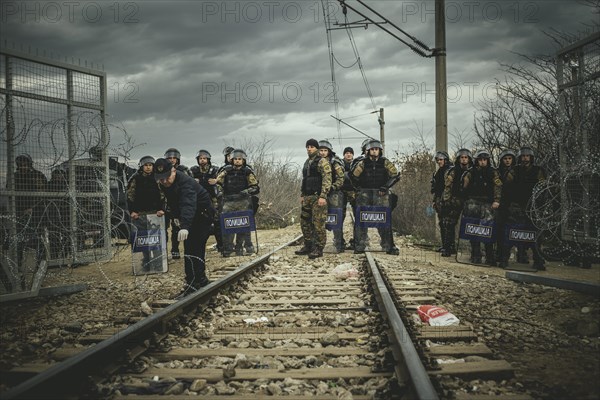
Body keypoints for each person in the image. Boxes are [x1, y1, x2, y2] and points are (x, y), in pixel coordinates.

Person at [154, 158, 213, 295]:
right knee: (189, 249)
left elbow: (188, 204)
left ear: (174, 171)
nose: (164, 181)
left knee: (196, 247)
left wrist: (185, 226)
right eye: (161, 179)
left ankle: (200, 280)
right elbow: (173, 202)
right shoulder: (164, 183)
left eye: (167, 177)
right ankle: (192, 282)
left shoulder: (186, 183)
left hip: (202, 214)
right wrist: (176, 217)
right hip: (187, 215)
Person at [350, 139, 400, 255]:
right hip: (365, 195)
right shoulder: (362, 163)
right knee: (362, 220)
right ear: (367, 151)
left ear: (380, 151)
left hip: (381, 195)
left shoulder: (385, 162)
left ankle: (388, 245)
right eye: (372, 149)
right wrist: (359, 189)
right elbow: (353, 177)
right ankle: (360, 245)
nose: (374, 151)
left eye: (376, 149)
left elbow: (395, 175)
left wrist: (385, 187)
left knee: (383, 220)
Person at [215, 149, 260, 257]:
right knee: (228, 225)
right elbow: (217, 183)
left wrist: (247, 191)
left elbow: (255, 187)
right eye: (235, 159)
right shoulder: (225, 171)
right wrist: (220, 192)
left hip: (243, 201)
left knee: (243, 226)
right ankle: (227, 249)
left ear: (243, 160)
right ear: (232, 160)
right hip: (228, 201)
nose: (237, 161)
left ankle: (240, 247)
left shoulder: (247, 171)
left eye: (240, 159)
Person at [461, 150, 502, 265]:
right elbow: (464, 187)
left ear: (487, 160)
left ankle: (489, 255)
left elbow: (497, 186)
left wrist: (497, 200)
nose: (482, 162)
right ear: (477, 161)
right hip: (473, 202)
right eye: (480, 160)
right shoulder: (471, 172)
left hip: (488, 203)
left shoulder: (493, 172)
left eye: (484, 160)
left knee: (488, 228)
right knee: (473, 228)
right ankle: (475, 254)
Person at [296, 138, 332, 259]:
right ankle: (308, 245)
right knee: (305, 222)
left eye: (311, 147)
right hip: (307, 197)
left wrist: (323, 196)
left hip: (318, 197)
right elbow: (304, 179)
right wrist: (302, 194)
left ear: (316, 148)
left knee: (318, 224)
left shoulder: (322, 161)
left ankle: (319, 248)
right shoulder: (307, 162)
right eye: (308, 147)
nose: (309, 149)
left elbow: (327, 179)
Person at [127, 156, 165, 270]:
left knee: (156, 240)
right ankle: (146, 264)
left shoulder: (157, 178)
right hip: (140, 214)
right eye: (146, 165)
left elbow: (163, 195)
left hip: (155, 214)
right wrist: (132, 211)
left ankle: (158, 265)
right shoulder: (135, 179)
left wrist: (162, 209)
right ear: (142, 166)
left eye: (150, 165)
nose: (148, 167)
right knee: (143, 241)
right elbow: (130, 196)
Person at [511, 146, 546, 270]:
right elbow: (509, 186)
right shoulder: (515, 170)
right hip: (518, 205)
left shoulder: (538, 170)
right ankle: (521, 255)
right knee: (519, 231)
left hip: (533, 206)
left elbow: (543, 186)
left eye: (527, 156)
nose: (525, 158)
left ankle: (538, 259)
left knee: (535, 234)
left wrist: (539, 203)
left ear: (531, 157)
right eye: (523, 156)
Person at [13, 154, 48, 266]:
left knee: (37, 236)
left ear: (29, 165)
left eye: (25, 165)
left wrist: (32, 207)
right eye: (21, 165)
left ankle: (41, 264)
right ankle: (18, 264)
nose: (23, 167)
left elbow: (42, 193)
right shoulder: (14, 177)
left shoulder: (37, 176)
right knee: (20, 238)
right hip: (19, 212)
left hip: (36, 211)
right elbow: (11, 195)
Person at [441, 148, 473, 257]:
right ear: (459, 159)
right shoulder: (454, 171)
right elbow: (447, 186)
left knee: (472, 225)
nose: (464, 160)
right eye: (462, 158)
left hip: (470, 201)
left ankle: (474, 251)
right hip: (455, 200)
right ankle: (448, 247)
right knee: (449, 224)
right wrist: (446, 200)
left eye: (466, 158)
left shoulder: (473, 170)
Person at [190, 150, 223, 254]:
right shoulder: (193, 170)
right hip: (198, 201)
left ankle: (221, 246)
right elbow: (187, 183)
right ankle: (199, 248)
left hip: (213, 199)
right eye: (200, 158)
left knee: (217, 222)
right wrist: (193, 181)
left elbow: (222, 181)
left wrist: (216, 181)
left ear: (208, 159)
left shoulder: (215, 170)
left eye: (204, 158)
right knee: (200, 223)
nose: (202, 160)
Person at [163, 148, 192, 259]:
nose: (172, 160)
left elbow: (190, 184)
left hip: (181, 201)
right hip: (167, 203)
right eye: (169, 158)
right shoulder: (162, 170)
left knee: (181, 226)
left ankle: (186, 251)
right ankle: (174, 250)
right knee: (170, 229)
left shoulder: (184, 170)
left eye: (174, 158)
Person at [318, 140, 345, 252]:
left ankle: (338, 243)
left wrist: (333, 187)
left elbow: (341, 178)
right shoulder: (316, 162)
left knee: (335, 218)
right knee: (318, 218)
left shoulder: (335, 162)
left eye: (325, 150)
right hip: (319, 194)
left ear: (329, 151)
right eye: (321, 150)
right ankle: (318, 244)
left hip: (334, 194)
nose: (323, 152)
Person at [496, 149, 517, 268]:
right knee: (500, 230)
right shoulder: (498, 172)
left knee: (511, 231)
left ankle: (511, 256)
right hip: (501, 205)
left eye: (509, 158)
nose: (507, 161)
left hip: (513, 204)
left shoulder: (517, 171)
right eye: (505, 159)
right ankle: (500, 255)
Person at [430, 151, 452, 253]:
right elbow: (437, 188)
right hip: (440, 199)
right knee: (442, 223)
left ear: (445, 160)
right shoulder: (438, 172)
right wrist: (435, 201)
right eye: (438, 160)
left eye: (441, 160)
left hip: (448, 200)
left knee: (448, 223)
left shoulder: (450, 171)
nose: (439, 162)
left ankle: (449, 247)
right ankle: (445, 245)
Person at [341, 147, 357, 249]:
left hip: (353, 191)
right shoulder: (340, 163)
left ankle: (357, 240)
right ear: (344, 154)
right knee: (340, 215)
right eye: (346, 153)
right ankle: (339, 241)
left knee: (358, 214)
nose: (348, 155)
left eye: (350, 153)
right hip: (341, 191)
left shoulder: (356, 164)